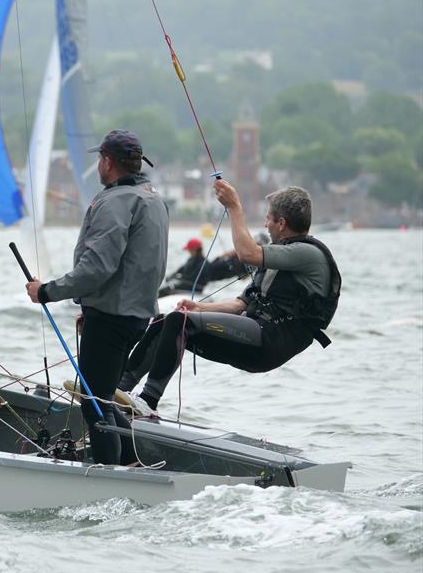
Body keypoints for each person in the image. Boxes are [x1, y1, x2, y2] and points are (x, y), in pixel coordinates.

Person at [119, 181, 341, 413]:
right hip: (255, 331)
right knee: (167, 321)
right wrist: (198, 307)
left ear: (281, 223)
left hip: (271, 342)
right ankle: (119, 390)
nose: (265, 224)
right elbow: (240, 304)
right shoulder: (279, 256)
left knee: (179, 322)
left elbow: (247, 253)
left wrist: (234, 207)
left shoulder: (308, 254)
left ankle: (148, 401)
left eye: (268, 218)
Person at [24, 129, 169, 465]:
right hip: (134, 316)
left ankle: (112, 476)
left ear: (107, 162)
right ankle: (133, 464)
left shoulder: (116, 202)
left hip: (113, 318)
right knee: (101, 397)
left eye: (100, 160)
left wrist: (47, 292)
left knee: (93, 402)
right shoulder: (152, 197)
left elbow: (96, 267)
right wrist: (90, 305)